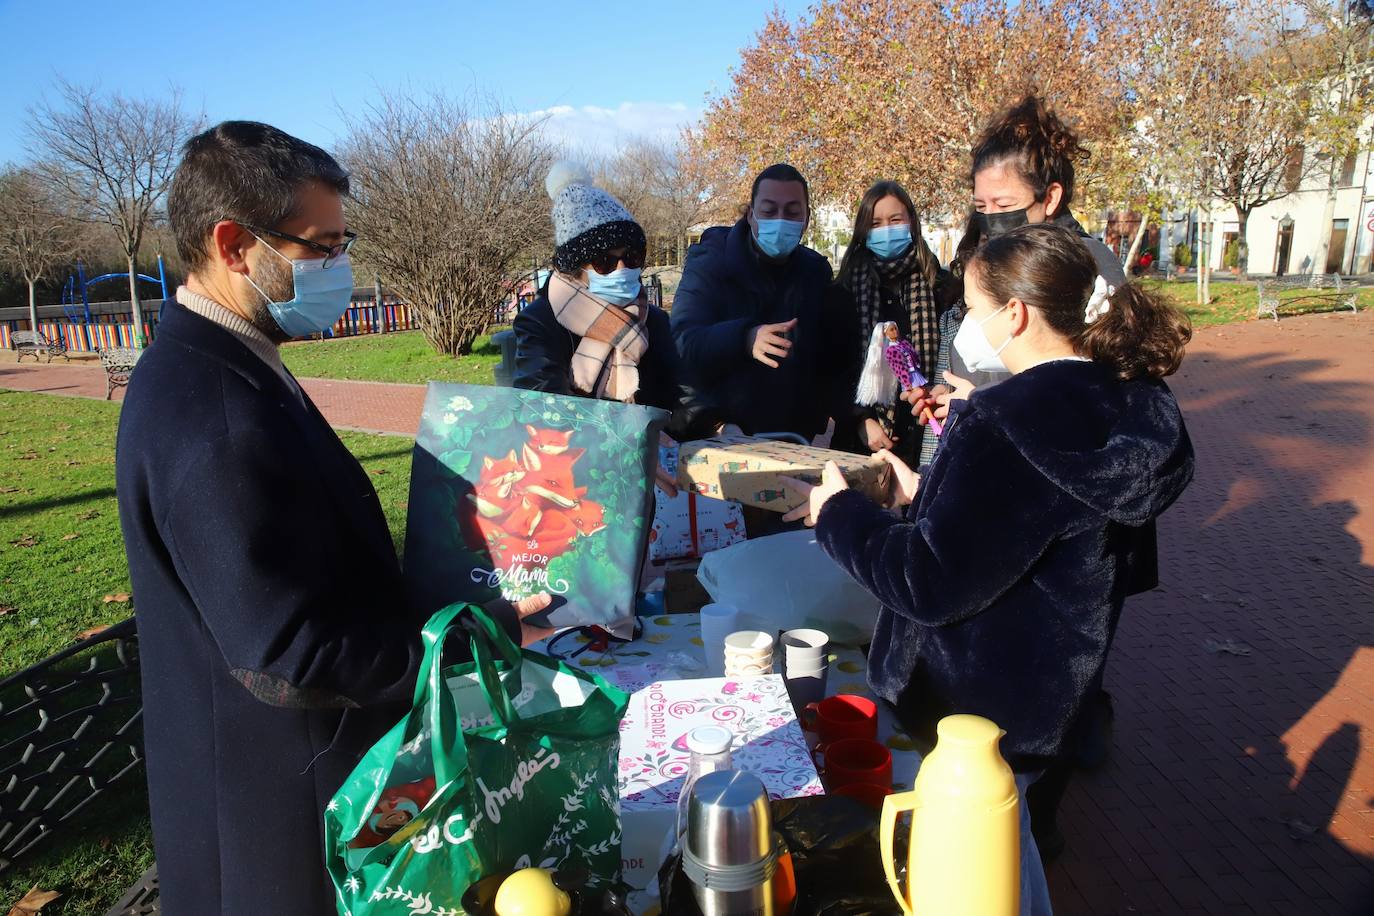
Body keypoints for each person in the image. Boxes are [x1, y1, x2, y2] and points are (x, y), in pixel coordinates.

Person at [115, 121, 551, 914]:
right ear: (233, 245)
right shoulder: (213, 415)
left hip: (289, 783)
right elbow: (288, 655)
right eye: (319, 246)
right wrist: (472, 633)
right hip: (279, 827)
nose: (339, 268)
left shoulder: (230, 356)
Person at [790, 223, 1195, 913]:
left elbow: (928, 581)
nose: (967, 330)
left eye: (974, 311)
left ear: (1016, 313)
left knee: (968, 872)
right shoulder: (1120, 403)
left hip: (967, 707)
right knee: (1010, 845)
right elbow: (1024, 530)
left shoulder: (1007, 417)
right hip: (1042, 698)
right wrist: (925, 492)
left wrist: (839, 515)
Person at [915, 95, 1128, 471]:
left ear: (1051, 198)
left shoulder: (1087, 263)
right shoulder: (994, 259)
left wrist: (979, 401)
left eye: (1004, 205)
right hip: (986, 455)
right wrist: (950, 395)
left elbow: (1088, 389)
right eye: (981, 208)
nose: (992, 219)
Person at [514, 162, 719, 476]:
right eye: (604, 262)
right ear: (576, 267)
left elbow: (683, 393)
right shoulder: (542, 320)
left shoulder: (652, 319)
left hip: (649, 477)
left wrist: (717, 426)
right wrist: (627, 441)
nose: (623, 269)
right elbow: (542, 406)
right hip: (571, 472)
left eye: (632, 257)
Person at [670, 163, 847, 441]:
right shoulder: (710, 262)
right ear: (751, 214)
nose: (780, 220)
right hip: (722, 436)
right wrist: (745, 337)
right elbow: (683, 341)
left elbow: (828, 356)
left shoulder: (816, 272)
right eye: (769, 210)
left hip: (792, 440)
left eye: (791, 212)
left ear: (807, 219)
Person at [828, 180, 946, 464]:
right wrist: (860, 420)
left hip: (925, 439)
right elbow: (831, 369)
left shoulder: (941, 287)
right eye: (876, 223)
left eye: (895, 220)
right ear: (863, 231)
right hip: (857, 444)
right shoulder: (843, 291)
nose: (886, 230)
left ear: (911, 223)